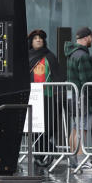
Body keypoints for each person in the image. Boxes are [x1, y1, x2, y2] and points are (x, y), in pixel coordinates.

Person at [28, 29, 64, 161]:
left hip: (48, 97)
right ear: (31, 42)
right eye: (35, 38)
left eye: (40, 38)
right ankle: (43, 153)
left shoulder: (50, 56)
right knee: (35, 128)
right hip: (32, 98)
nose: (38, 40)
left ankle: (44, 151)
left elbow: (58, 76)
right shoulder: (27, 56)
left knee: (48, 126)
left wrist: (59, 96)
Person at [65, 27, 92, 160]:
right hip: (83, 98)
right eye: (91, 36)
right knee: (81, 129)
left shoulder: (72, 53)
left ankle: (73, 159)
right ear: (86, 38)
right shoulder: (83, 56)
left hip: (74, 96)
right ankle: (80, 160)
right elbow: (87, 80)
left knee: (75, 128)